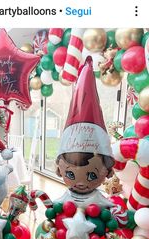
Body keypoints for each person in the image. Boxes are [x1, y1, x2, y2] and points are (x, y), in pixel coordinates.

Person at [55, 56, 115, 209]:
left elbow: (109, 207)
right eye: (70, 174)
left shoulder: (98, 200)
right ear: (58, 169)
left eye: (92, 175)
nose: (81, 183)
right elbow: (55, 206)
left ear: (107, 172)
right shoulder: (67, 198)